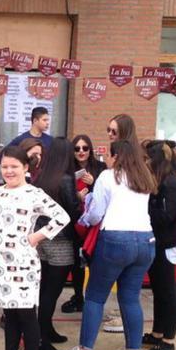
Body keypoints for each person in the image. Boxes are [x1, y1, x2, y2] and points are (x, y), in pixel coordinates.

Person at [0, 146, 70, 350]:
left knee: (27, 315)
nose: (9, 171)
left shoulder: (33, 193)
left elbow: (62, 217)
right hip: (0, 265)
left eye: (14, 167)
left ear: (25, 168)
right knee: (9, 316)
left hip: (24, 265)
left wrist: (36, 237)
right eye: (5, 167)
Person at [66, 140, 156, 350]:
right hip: (146, 240)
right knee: (130, 297)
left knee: (95, 297)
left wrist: (83, 220)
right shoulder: (144, 176)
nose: (106, 158)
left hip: (115, 238)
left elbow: (96, 214)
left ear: (116, 156)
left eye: (108, 154)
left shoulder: (108, 176)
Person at [33, 138, 80, 350]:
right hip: (60, 240)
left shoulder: (41, 176)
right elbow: (71, 210)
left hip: (42, 237)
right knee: (53, 289)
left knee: (44, 289)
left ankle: (45, 329)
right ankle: (42, 337)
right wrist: (81, 199)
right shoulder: (66, 178)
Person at [142, 139, 176, 350]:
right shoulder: (162, 182)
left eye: (149, 158)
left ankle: (168, 340)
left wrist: (145, 210)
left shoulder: (169, 183)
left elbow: (167, 216)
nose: (146, 162)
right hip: (159, 243)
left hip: (167, 244)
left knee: (168, 292)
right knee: (158, 291)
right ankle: (157, 333)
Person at [102, 113, 140, 333]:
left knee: (105, 290)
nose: (109, 135)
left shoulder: (132, 164)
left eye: (113, 131)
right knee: (126, 290)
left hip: (121, 230)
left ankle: (119, 318)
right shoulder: (124, 164)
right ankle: (131, 347)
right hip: (139, 235)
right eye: (108, 130)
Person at [61, 134, 107, 314]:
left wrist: (94, 184)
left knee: (94, 261)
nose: (81, 152)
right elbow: (62, 194)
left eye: (85, 148)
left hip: (94, 223)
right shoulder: (67, 169)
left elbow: (107, 194)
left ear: (90, 150)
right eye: (77, 148)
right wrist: (76, 196)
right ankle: (78, 296)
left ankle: (93, 299)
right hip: (74, 220)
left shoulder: (100, 168)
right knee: (76, 263)